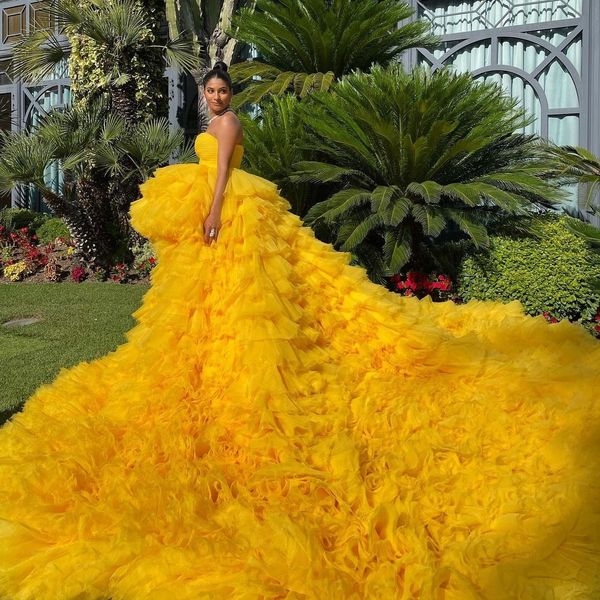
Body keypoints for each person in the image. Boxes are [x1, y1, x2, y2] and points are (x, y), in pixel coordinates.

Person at [0, 61, 599, 600]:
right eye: (208, 91)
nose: (214, 98)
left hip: (232, 219)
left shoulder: (228, 128)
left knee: (256, 303)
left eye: (221, 91)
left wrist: (210, 218)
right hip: (219, 226)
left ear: (230, 95)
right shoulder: (205, 127)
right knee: (205, 308)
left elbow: (221, 182)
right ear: (202, 94)